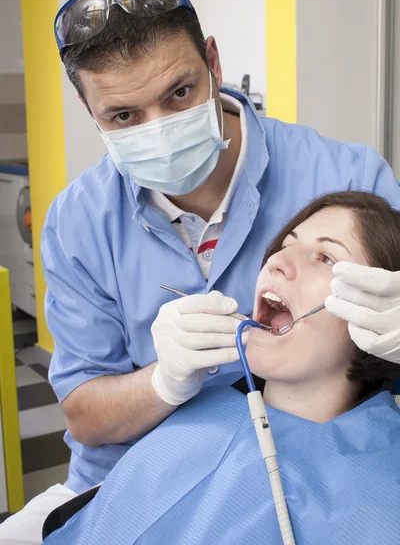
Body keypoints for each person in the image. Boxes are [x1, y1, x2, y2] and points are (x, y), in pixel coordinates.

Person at [1, 0, 400, 543]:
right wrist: (164, 381)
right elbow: (85, 413)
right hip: (129, 477)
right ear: (92, 115)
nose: (159, 127)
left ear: (212, 62)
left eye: (180, 93)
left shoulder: (347, 177)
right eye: (124, 116)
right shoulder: (78, 221)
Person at [42, 191, 400, 544]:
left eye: (325, 258)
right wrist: (162, 382)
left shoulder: (377, 491)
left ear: (380, 316)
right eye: (286, 244)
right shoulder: (206, 402)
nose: (278, 261)